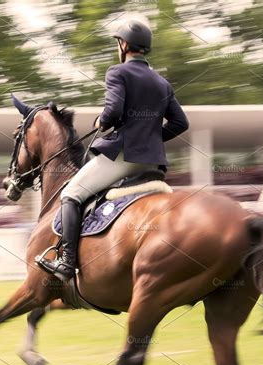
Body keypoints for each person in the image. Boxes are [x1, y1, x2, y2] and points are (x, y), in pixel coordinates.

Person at [36, 18, 189, 281]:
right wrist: (150, 138)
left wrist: (101, 121)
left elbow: (114, 111)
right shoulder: (162, 83)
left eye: (119, 42)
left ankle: (67, 263)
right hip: (153, 165)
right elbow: (180, 123)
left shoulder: (118, 73)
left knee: (71, 194)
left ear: (125, 44)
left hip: (122, 157)